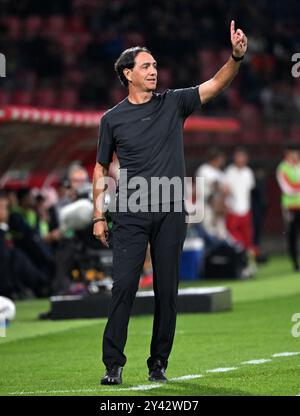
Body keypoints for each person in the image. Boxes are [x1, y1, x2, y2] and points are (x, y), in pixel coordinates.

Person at [93, 21, 248, 385]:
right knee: (124, 285)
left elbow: (214, 85)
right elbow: (101, 167)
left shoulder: (174, 102)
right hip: (130, 211)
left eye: (155, 65)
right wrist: (99, 214)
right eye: (146, 66)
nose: (153, 71)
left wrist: (237, 57)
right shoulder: (111, 120)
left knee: (167, 289)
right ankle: (112, 364)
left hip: (170, 211)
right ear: (127, 74)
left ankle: (158, 362)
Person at [225, 147, 256, 252]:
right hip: (233, 211)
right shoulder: (229, 172)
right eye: (238, 156)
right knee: (235, 239)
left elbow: (249, 192)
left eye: (242, 157)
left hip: (245, 210)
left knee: (247, 239)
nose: (240, 159)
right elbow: (226, 191)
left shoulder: (248, 172)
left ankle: (247, 262)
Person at [277, 146, 300, 271]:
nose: (296, 156)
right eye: (293, 153)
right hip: (290, 207)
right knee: (292, 236)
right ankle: (295, 263)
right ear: (287, 154)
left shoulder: (299, 166)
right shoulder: (282, 169)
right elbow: (288, 189)